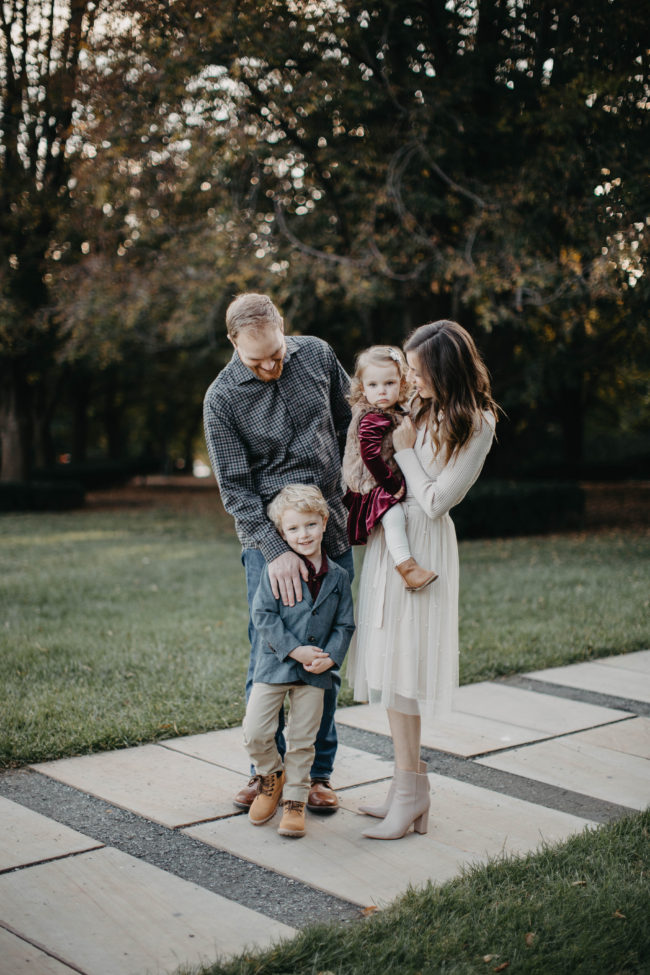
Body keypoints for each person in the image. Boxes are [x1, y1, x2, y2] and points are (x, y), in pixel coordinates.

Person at [347, 320, 498, 840]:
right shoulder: (417, 407)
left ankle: (411, 794)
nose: (409, 378)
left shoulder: (476, 423)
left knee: (405, 667)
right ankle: (406, 787)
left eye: (416, 368)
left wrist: (408, 452)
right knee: (390, 667)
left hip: (424, 543)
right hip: (392, 541)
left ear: (442, 367)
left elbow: (435, 501)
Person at [203, 293, 353, 814]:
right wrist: (275, 551)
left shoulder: (316, 354)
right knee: (269, 654)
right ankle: (265, 773)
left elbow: (347, 422)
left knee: (325, 661)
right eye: (255, 360)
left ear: (283, 329)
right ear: (233, 344)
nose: (269, 366)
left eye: (276, 354)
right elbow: (236, 491)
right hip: (269, 548)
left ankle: (316, 775)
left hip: (330, 534)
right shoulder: (220, 399)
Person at [244, 484, 355, 838]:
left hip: (314, 674)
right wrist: (294, 650)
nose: (302, 535)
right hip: (274, 666)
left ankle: (295, 800)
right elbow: (262, 615)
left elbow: (345, 624)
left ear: (324, 522)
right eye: (292, 529)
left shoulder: (337, 576)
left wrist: (330, 658)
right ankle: (270, 776)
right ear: (281, 533)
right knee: (256, 731)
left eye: (309, 525)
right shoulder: (274, 570)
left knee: (303, 740)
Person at [342, 345, 437, 592]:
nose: (382, 391)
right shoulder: (372, 417)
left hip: (382, 478)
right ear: (363, 388)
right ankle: (408, 568)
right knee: (393, 515)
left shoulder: (392, 411)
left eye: (389, 383)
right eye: (373, 385)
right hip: (371, 482)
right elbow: (370, 455)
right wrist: (393, 487)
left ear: (401, 383)